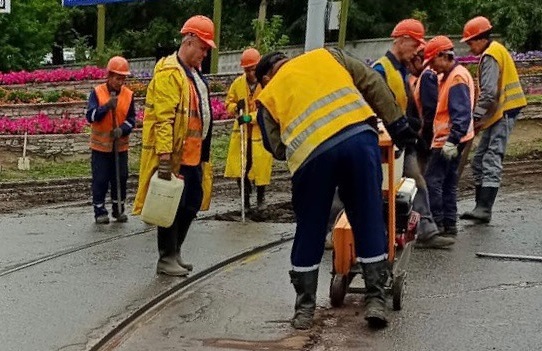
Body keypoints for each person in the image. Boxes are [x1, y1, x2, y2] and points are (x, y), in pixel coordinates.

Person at [255, 47, 419, 330]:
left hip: (312, 156)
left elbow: (276, 148)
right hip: (359, 139)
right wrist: (397, 125)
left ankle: (304, 310)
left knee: (311, 228)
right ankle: (375, 301)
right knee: (367, 216)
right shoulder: (328, 56)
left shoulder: (267, 95)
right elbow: (372, 82)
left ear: (267, 76)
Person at [132, 15, 215, 277]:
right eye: (203, 48)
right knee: (171, 205)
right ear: (190, 41)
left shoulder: (191, 74)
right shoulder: (171, 73)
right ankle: (166, 257)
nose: (204, 53)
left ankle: (175, 252)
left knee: (192, 203)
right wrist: (165, 158)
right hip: (177, 155)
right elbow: (164, 119)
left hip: (194, 154)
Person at [372, 19, 455, 248]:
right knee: (384, 186)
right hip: (387, 141)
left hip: (401, 140)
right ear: (403, 40)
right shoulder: (381, 70)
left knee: (415, 182)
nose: (417, 51)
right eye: (415, 45)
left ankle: (425, 230)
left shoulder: (400, 71)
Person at [459, 16, 527, 223]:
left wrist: (474, 117)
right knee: (479, 159)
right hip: (500, 112)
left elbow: (489, 94)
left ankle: (484, 209)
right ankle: (481, 207)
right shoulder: (495, 50)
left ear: (480, 38)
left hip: (504, 112)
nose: (470, 48)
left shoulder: (490, 55)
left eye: (470, 42)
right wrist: (481, 119)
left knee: (491, 158)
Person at [423, 36, 475, 236]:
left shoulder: (456, 78)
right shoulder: (452, 75)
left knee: (433, 181)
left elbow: (461, 113)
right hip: (453, 139)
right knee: (448, 182)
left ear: (443, 56)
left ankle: (438, 223)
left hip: (448, 140)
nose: (432, 68)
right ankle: (449, 224)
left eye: (432, 62)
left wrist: (452, 140)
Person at [86, 56, 135, 224]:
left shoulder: (128, 95)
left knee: (120, 177)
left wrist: (122, 130)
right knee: (100, 179)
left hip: (120, 147)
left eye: (123, 78)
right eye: (117, 78)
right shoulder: (97, 92)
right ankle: (100, 210)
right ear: (109, 76)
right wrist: (106, 107)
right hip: (100, 148)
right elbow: (90, 116)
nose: (120, 82)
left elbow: (131, 119)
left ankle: (118, 209)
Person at [224, 48, 273, 210]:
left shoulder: (266, 84)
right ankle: (245, 200)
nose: (250, 73)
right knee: (241, 167)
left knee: (260, 168)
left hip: (259, 135)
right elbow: (229, 103)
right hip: (242, 135)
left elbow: (267, 108)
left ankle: (261, 198)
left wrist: (249, 117)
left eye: (253, 69)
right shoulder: (238, 84)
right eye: (247, 70)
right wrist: (234, 108)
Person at [407, 44, 439, 174]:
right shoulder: (428, 75)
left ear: (418, 60)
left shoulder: (426, 76)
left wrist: (423, 141)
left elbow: (430, 110)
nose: (408, 68)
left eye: (409, 64)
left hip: (428, 137)